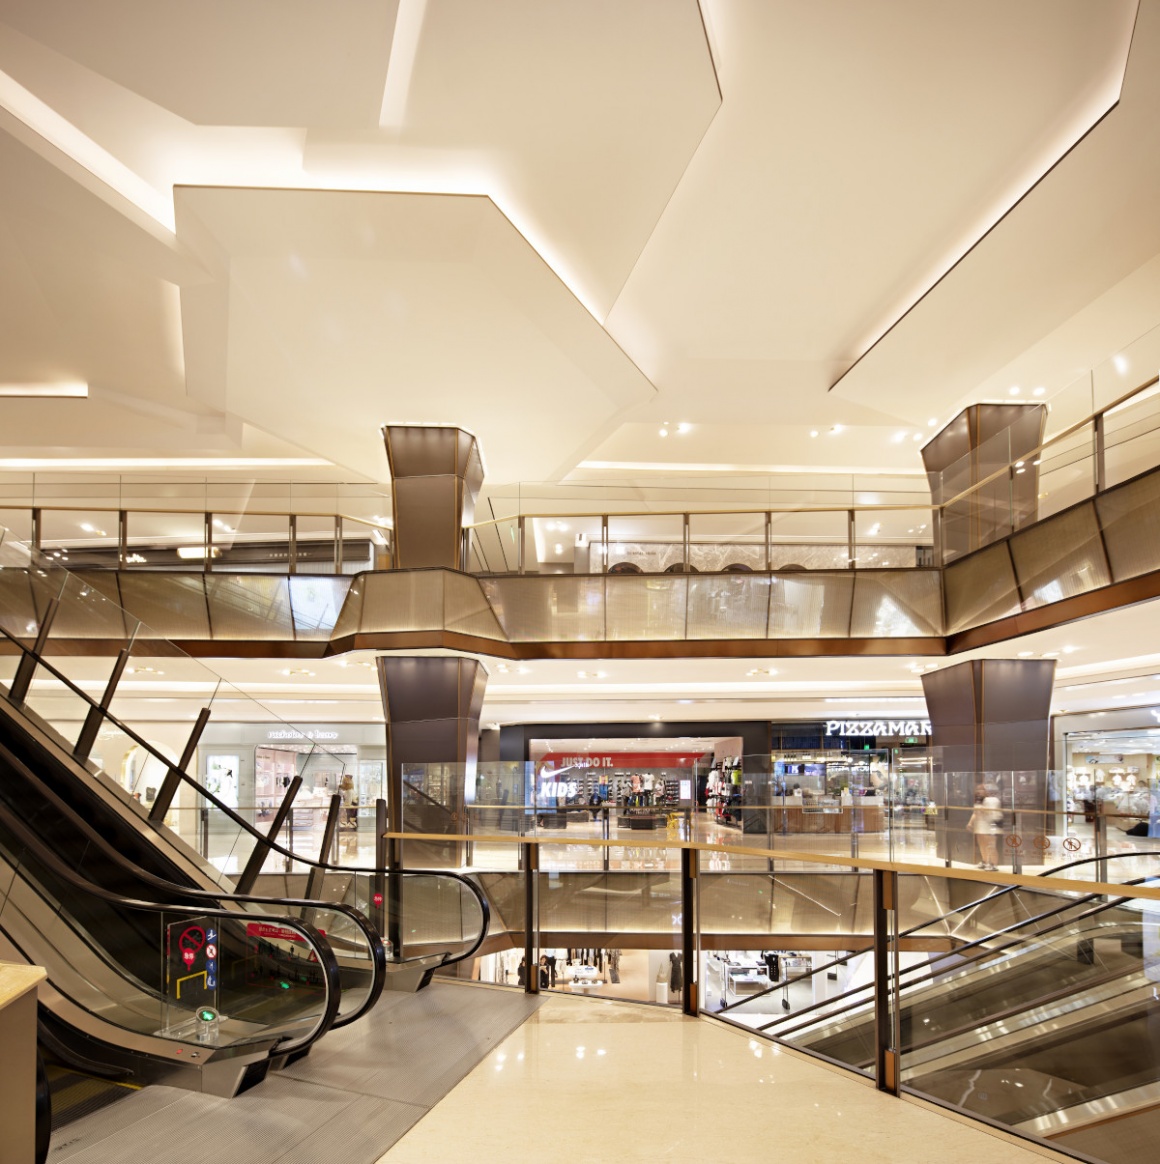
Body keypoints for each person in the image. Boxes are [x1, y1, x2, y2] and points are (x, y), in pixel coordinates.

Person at [967, 783, 1003, 871]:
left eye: (981, 789)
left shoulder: (993, 800)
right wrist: (970, 823)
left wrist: (983, 809)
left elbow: (992, 813)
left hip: (990, 825)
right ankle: (985, 861)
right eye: (978, 789)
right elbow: (975, 812)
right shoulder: (978, 800)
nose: (979, 791)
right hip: (980, 826)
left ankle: (993, 864)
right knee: (982, 845)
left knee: (990, 846)